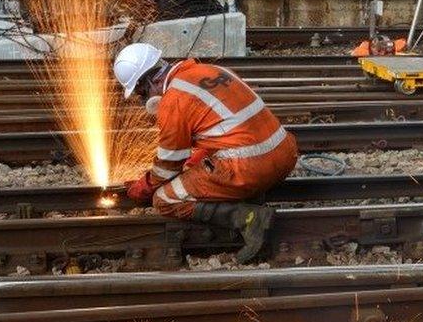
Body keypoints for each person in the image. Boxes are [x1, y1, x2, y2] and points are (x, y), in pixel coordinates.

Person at [113, 43, 299, 262]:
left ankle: (248, 218)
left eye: (141, 92)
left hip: (250, 168)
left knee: (163, 198)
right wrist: (191, 165)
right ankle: (250, 194)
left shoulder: (174, 99)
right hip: (285, 155)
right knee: (196, 169)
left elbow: (167, 167)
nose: (143, 99)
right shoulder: (211, 71)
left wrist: (143, 187)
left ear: (152, 81)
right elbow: (224, 133)